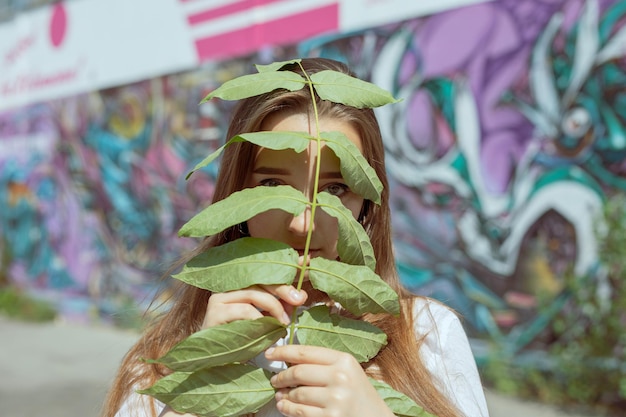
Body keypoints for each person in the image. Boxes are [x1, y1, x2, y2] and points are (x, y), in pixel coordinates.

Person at [100, 57, 489, 417]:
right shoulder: (164, 357)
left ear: (367, 205)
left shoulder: (424, 336)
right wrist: (201, 377)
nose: (303, 224)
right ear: (236, 197)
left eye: (335, 190)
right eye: (271, 185)